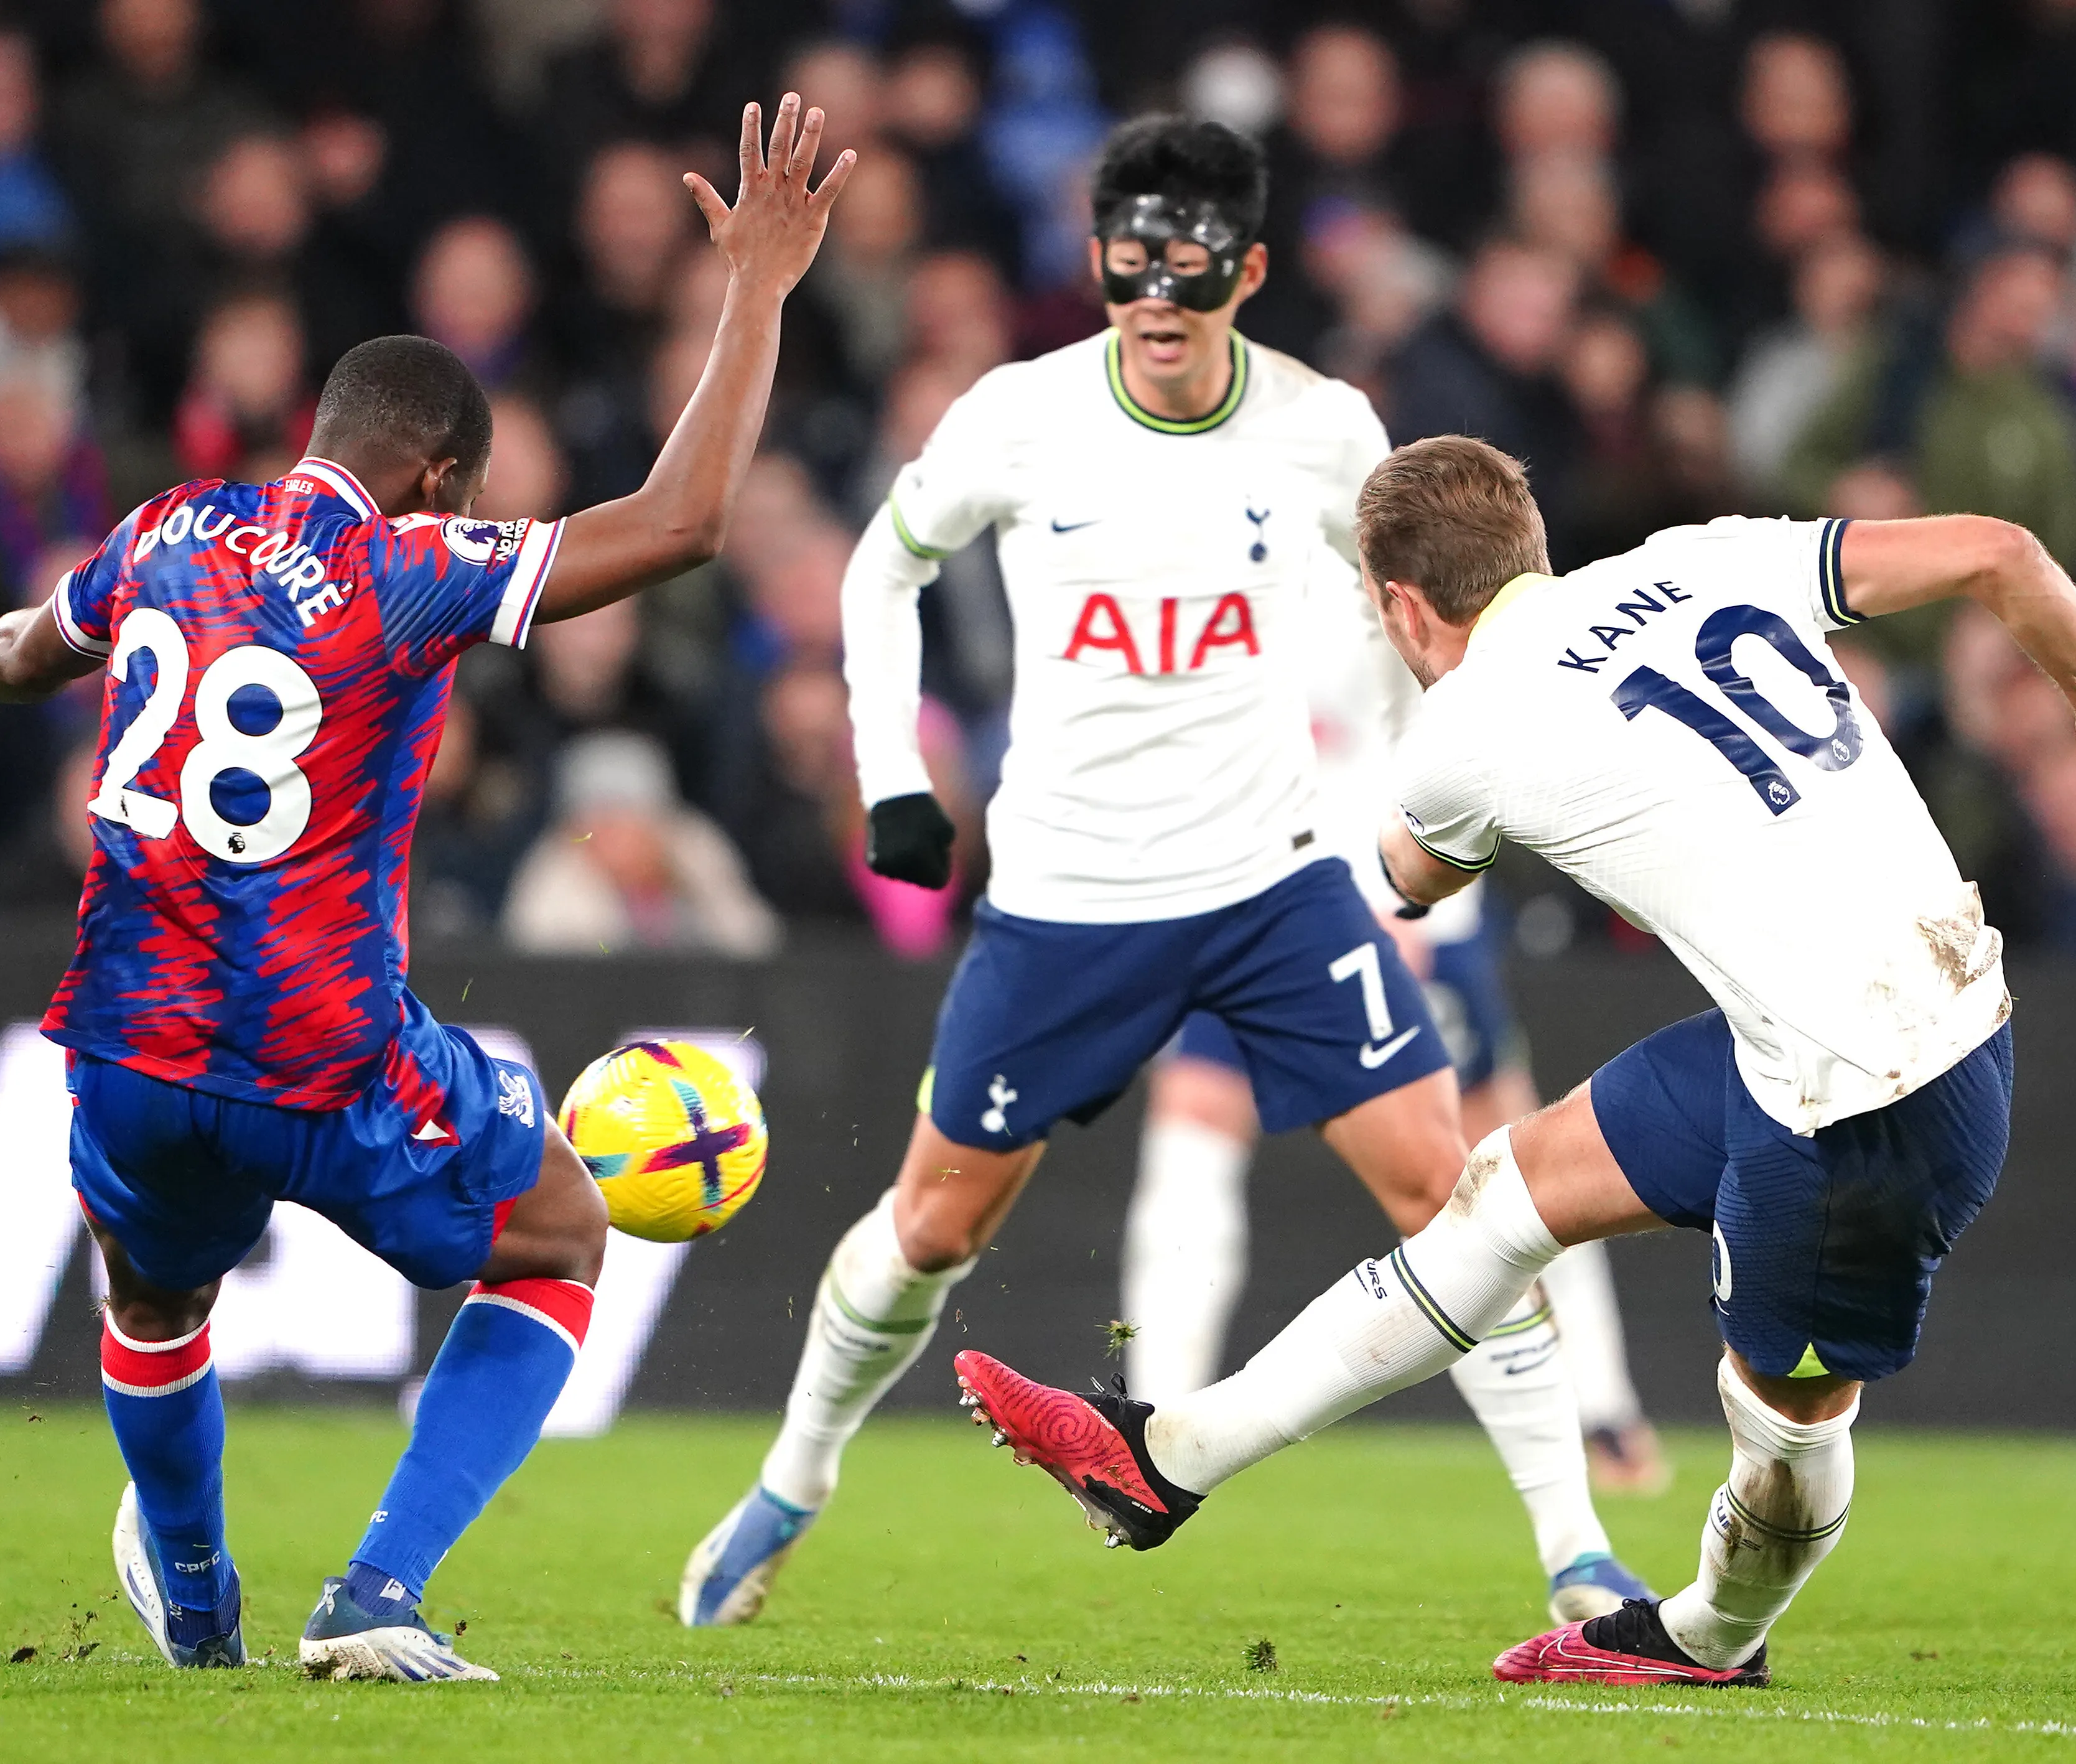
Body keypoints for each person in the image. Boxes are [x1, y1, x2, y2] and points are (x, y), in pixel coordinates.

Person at [0, 95, 854, 1682]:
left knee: (154, 1302)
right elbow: (684, 522)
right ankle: (375, 1590)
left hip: (129, 1045)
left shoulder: (165, 529)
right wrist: (759, 291)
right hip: (316, 1045)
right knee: (558, 1233)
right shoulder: (408, 568)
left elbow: (23, 653)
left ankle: (196, 1596)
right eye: (463, 492)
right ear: (435, 474)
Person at [956, 435, 2076, 1686]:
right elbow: (2001, 551)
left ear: (1403, 606)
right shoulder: (1706, 558)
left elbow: (1414, 878)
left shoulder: (1466, 731)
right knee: (1502, 1193)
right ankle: (1163, 1458)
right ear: (1529, 545)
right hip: (1878, 1026)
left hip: (1862, 1110)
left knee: (1790, 1419)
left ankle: (1711, 1638)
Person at [678, 117, 1647, 1632]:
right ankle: (791, 1481)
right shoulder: (1019, 416)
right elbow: (885, 563)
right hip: (1066, 903)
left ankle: (1577, 1553)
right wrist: (892, 772)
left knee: (1457, 1194)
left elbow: (1432, 621)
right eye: (1131, 258)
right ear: (1096, 261)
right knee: (934, 1228)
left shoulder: (1327, 431)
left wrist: (1427, 817)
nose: (1156, 292)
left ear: (1247, 273)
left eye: (1189, 263)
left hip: (1273, 889)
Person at [1119, 552, 1672, 1494]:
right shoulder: (1228, 554)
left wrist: (1403, 900)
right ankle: (1149, 1418)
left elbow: (1447, 715)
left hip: (1396, 906)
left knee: (1504, 1158)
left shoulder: (1379, 560)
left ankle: (1600, 1411)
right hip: (1260, 896)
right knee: (1195, 1120)